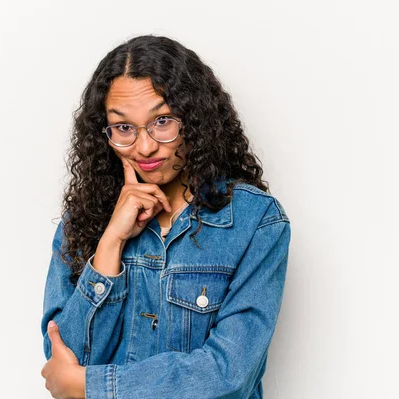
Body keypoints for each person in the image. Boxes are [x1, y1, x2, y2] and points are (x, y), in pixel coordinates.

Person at [40, 35, 291, 399]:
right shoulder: (83, 220)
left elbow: (228, 375)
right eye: (124, 128)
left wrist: (93, 386)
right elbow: (61, 366)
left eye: (162, 121)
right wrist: (111, 242)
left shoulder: (255, 222)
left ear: (194, 118)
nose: (144, 146)